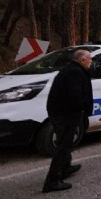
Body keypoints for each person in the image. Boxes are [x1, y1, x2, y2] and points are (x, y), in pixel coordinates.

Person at [42, 49, 94, 193]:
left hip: (62, 112)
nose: (91, 61)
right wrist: (82, 109)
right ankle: (52, 181)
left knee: (66, 141)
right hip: (66, 114)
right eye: (90, 59)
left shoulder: (71, 69)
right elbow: (74, 96)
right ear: (82, 60)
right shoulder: (74, 72)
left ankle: (65, 168)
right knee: (63, 145)